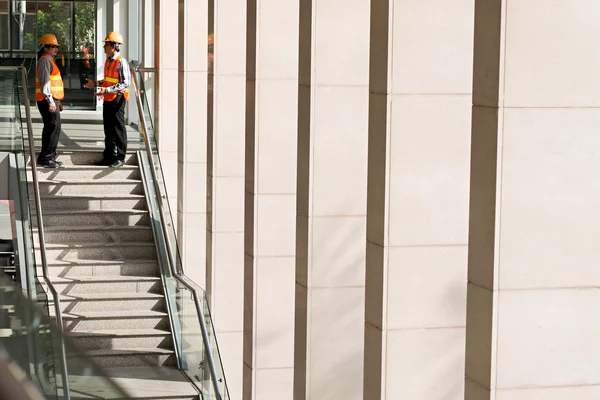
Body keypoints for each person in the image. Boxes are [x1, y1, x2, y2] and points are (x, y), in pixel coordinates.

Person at [83, 32, 130, 168]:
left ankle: (120, 157)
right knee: (108, 129)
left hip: (118, 98)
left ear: (114, 46)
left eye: (106, 44)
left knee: (118, 128)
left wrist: (107, 90)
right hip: (109, 98)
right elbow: (108, 81)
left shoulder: (121, 61)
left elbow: (125, 83)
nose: (104, 47)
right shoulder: (109, 61)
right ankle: (109, 156)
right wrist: (96, 84)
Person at [35, 34, 64, 168]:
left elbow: (53, 84)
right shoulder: (45, 61)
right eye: (53, 47)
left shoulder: (48, 60)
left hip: (51, 100)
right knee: (52, 127)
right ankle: (46, 158)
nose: (56, 49)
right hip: (47, 100)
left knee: (53, 127)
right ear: (46, 48)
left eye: (56, 47)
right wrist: (51, 101)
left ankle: (49, 156)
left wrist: (57, 100)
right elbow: (45, 83)